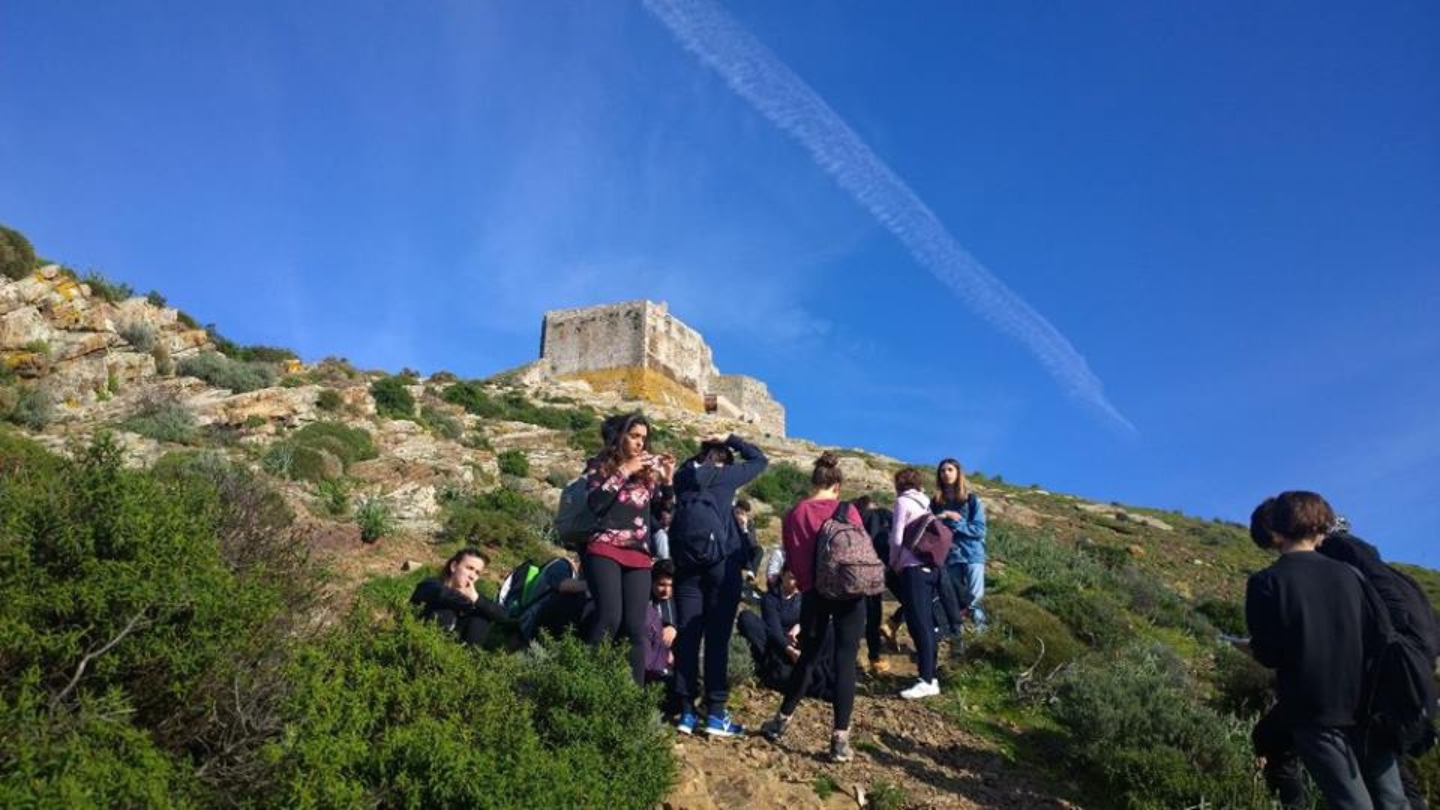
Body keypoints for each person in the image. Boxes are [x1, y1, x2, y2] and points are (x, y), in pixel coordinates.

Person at [1245, 492, 1407, 810]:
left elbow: (1268, 653)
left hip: (1314, 710)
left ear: (1276, 530)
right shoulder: (1352, 575)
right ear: (1320, 527)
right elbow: (1382, 634)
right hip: (1368, 707)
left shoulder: (1266, 582)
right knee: (1394, 802)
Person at [759, 451, 867, 763]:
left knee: (808, 658)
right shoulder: (847, 509)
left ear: (813, 481)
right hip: (850, 594)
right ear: (837, 485)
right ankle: (840, 741)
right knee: (845, 662)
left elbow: (793, 561)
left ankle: (780, 723)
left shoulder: (794, 514)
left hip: (816, 595)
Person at [669, 433, 768, 737]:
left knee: (686, 637)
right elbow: (760, 460)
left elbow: (683, 470)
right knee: (717, 640)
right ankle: (715, 713)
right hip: (719, 566)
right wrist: (732, 439)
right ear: (724, 458)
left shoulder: (683, 477)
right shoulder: (727, 477)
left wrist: (701, 453)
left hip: (685, 568)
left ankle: (685, 712)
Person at [580, 412, 675, 685]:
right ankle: (584, 685)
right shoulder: (599, 465)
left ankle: (632, 702)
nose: (640, 443)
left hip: (639, 556)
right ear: (620, 436)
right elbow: (596, 503)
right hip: (604, 548)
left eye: (644, 439)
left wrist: (667, 481)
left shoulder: (648, 476)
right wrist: (625, 470)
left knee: (635, 628)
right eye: (634, 436)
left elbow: (665, 517)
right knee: (609, 618)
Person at [738, 568, 837, 698]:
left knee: (830, 629)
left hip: (800, 643)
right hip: (777, 646)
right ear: (782, 576)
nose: (795, 582)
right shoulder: (770, 599)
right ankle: (776, 670)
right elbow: (773, 629)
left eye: (798, 579)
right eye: (792, 578)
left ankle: (826, 677)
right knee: (747, 618)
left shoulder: (804, 596)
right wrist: (790, 650)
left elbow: (816, 618)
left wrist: (799, 626)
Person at [891, 468, 942, 700]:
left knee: (918, 624)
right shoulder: (926, 503)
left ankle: (926, 680)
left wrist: (894, 562)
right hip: (930, 568)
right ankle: (932, 676)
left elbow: (897, 538)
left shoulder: (903, 502)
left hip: (912, 568)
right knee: (927, 624)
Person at [410, 548, 510, 647]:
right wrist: (469, 603)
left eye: (477, 573)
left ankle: (468, 658)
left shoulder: (473, 596)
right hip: (419, 643)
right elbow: (441, 594)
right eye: (469, 568)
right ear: (453, 566)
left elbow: (504, 616)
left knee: (481, 616)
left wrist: (476, 598)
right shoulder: (431, 584)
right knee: (446, 609)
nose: (472, 576)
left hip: (456, 655)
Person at [934, 458, 988, 633]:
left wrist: (955, 522)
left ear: (958, 473)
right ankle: (958, 640)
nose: (946, 474)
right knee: (953, 599)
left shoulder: (971, 500)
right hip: (950, 557)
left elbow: (979, 529)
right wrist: (943, 516)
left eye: (950, 469)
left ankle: (981, 641)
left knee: (975, 600)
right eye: (942, 471)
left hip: (972, 555)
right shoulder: (935, 503)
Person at [854, 495, 894, 674]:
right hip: (875, 571)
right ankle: (874, 658)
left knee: (853, 616)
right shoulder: (881, 514)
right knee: (873, 617)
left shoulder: (853, 518)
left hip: (853, 572)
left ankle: (852, 658)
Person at [645, 559, 678, 684]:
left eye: (671, 585)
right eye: (661, 584)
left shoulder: (677, 601)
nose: (666, 590)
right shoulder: (644, 600)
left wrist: (672, 626)